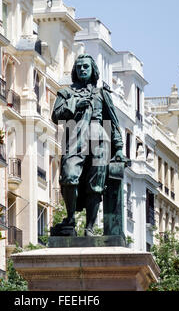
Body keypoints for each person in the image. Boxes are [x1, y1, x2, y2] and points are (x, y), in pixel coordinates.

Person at [51, 54, 125, 236]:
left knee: (96, 185)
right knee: (69, 176)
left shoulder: (102, 94)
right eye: (79, 67)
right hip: (75, 138)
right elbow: (56, 115)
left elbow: (113, 122)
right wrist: (75, 104)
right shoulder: (66, 93)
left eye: (86, 67)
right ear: (75, 71)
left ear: (93, 70)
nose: (82, 69)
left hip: (99, 140)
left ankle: (89, 228)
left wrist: (119, 148)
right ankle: (70, 219)